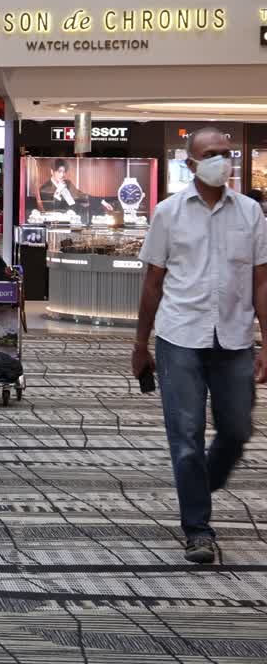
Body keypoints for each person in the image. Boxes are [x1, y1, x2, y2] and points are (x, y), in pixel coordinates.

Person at [133, 126, 267, 564]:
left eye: (226, 153)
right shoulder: (169, 213)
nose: (222, 160)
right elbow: (153, 281)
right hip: (180, 337)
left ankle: (197, 482)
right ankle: (198, 528)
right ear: (189, 162)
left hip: (235, 338)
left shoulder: (251, 212)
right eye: (211, 153)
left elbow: (261, 281)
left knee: (236, 430)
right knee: (186, 439)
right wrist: (140, 343)